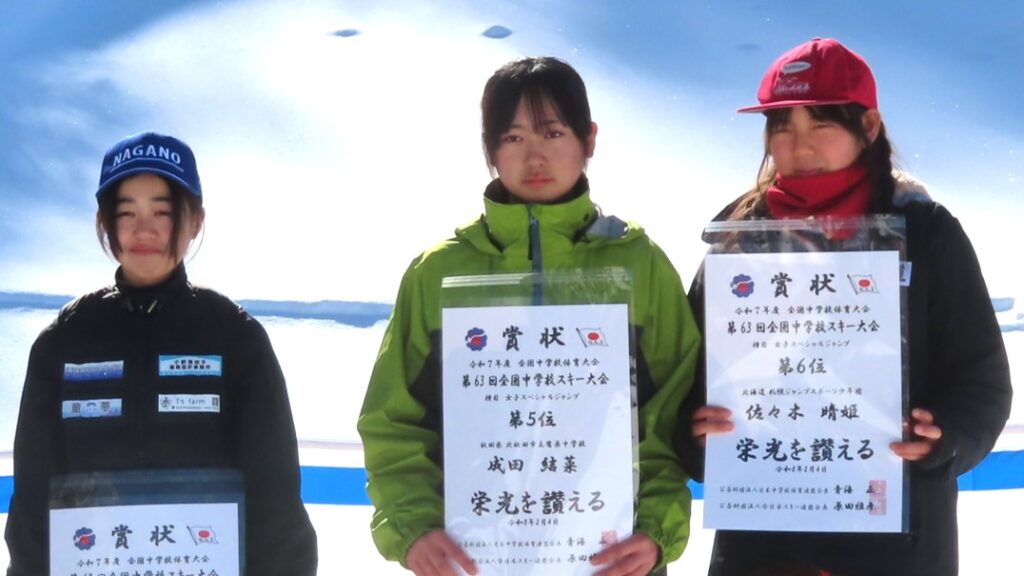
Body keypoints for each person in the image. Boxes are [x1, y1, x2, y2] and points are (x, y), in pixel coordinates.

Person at [677, 38, 1012, 576]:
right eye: (782, 127)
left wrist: (944, 437)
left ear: (869, 127)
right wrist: (696, 435)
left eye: (821, 125)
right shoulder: (739, 240)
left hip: (897, 546)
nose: (799, 147)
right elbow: (684, 381)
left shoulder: (926, 234)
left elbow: (982, 382)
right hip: (762, 545)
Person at [357, 56, 700, 576]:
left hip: (610, 559)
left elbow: (672, 412)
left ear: (589, 139)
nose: (534, 156)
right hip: (473, 559)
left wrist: (655, 530)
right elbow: (394, 421)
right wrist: (413, 527)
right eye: (513, 138)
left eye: (553, 133)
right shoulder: (440, 272)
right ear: (490, 148)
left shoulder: (638, 264)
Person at [4, 132, 318, 575]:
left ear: (195, 221)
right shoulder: (64, 340)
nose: (143, 230)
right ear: (104, 222)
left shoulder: (234, 337)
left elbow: (276, 501)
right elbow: (33, 505)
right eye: (126, 212)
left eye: (162, 212)